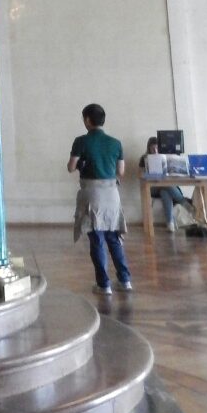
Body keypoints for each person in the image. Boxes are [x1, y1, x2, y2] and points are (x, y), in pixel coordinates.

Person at [68, 104, 133, 296]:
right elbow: (121, 171)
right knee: (114, 237)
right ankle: (125, 279)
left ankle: (103, 284)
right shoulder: (115, 143)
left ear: (87, 120)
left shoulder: (81, 141)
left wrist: (81, 163)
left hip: (92, 195)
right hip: (112, 194)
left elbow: (71, 167)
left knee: (96, 239)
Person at [139, 136, 191, 231]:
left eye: (157, 148)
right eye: (152, 148)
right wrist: (147, 173)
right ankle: (184, 202)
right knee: (166, 187)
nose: (155, 150)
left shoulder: (166, 157)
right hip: (152, 187)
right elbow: (140, 176)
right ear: (149, 148)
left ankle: (170, 223)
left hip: (166, 187)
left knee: (164, 191)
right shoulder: (144, 158)